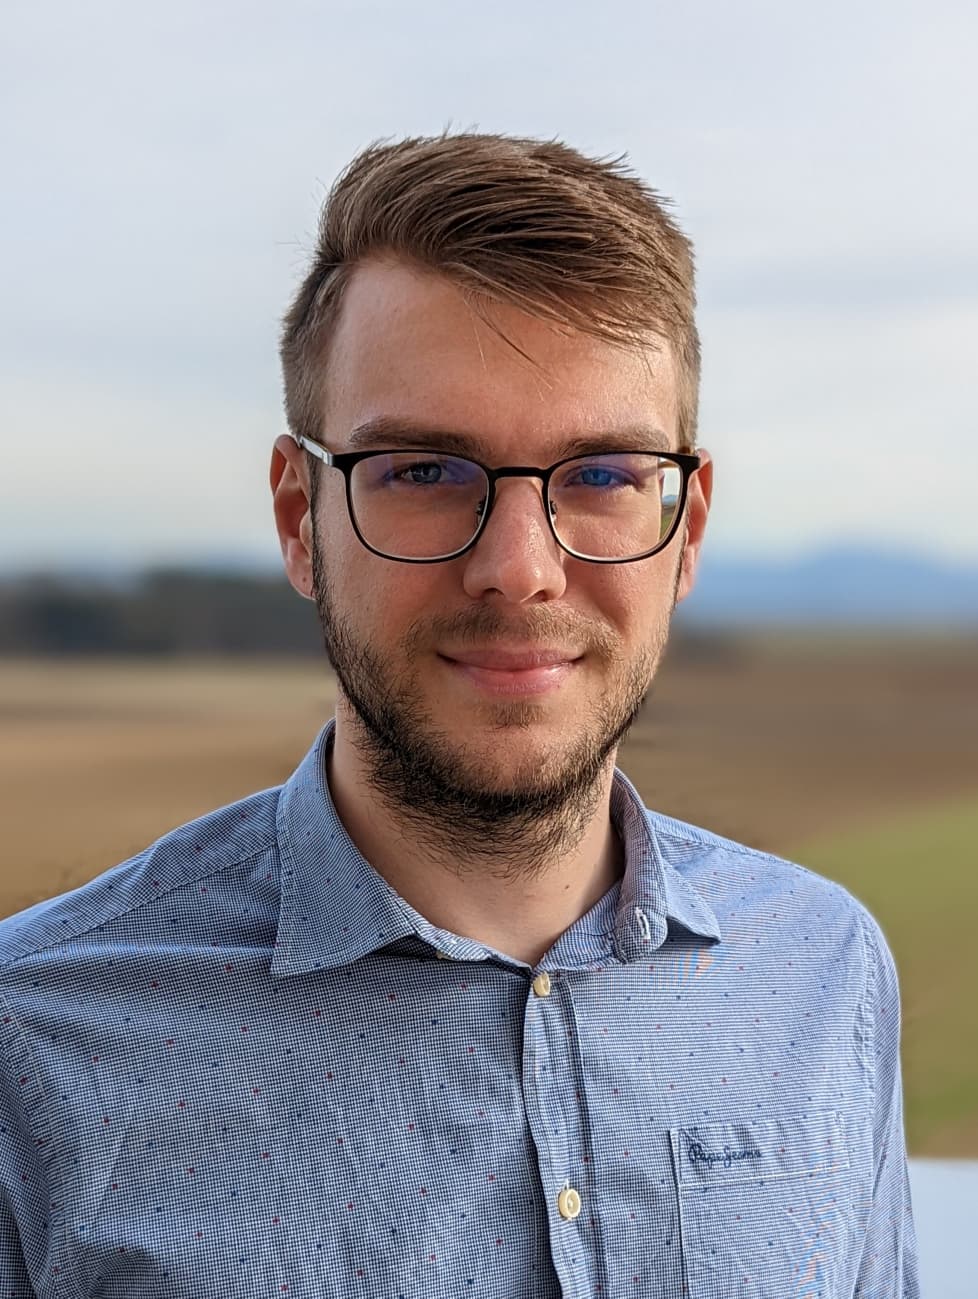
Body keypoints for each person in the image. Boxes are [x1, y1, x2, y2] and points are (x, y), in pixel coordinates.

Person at [0, 134, 917, 1298]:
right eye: (425, 471)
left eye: (603, 473)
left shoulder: (824, 971)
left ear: (684, 533)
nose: (519, 570)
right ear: (299, 519)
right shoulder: (35, 1040)